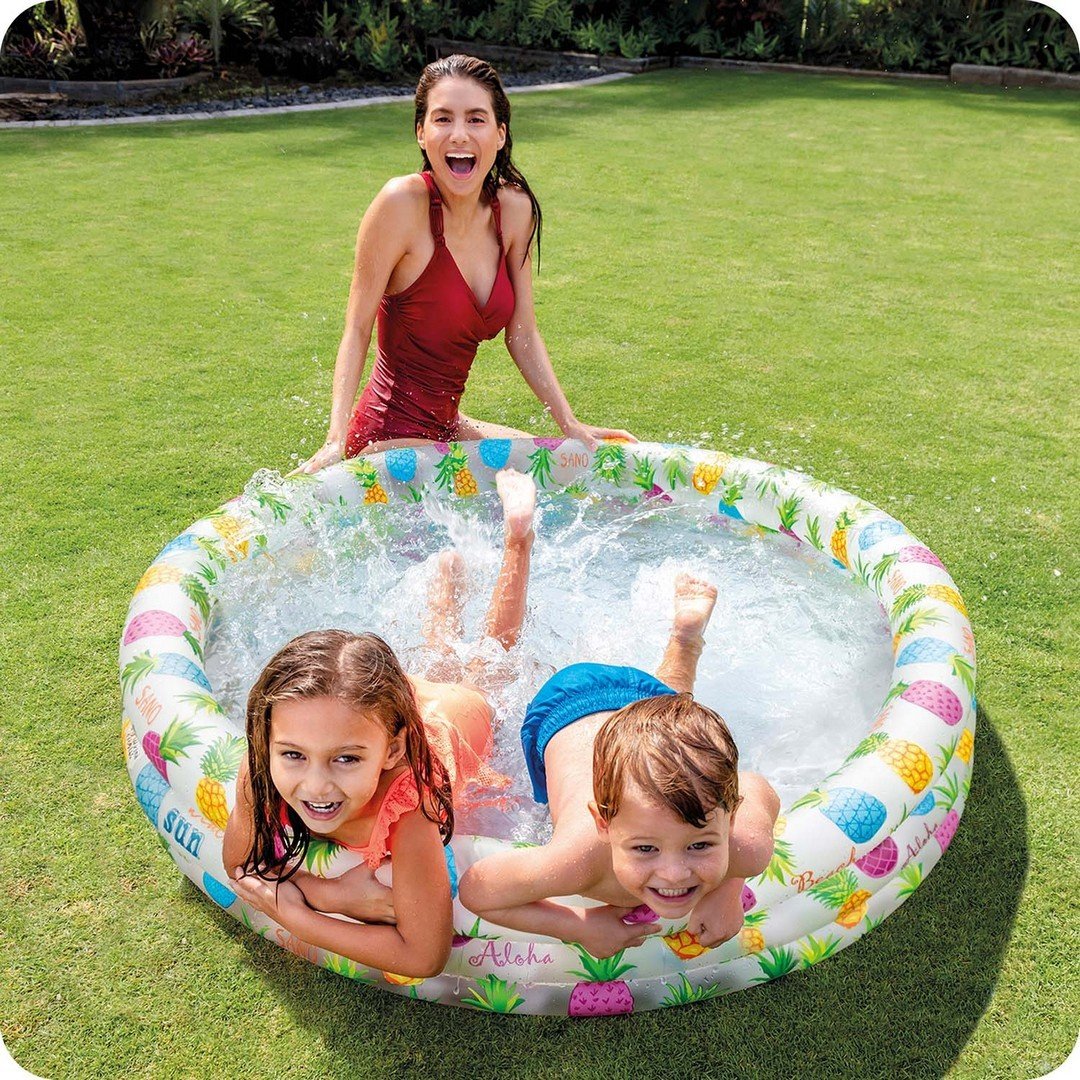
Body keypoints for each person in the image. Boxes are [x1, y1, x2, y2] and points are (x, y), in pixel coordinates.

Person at [223, 468, 537, 977]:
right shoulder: (269, 758)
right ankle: (447, 585)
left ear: (392, 750)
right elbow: (239, 866)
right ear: (269, 740)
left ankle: (517, 543)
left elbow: (424, 956)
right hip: (365, 713)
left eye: (346, 760)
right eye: (294, 755)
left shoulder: (408, 809)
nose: (316, 784)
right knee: (438, 659)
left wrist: (299, 915)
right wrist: (336, 896)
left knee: (488, 664)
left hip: (455, 717)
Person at [295, 54, 634, 474]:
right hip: (385, 440)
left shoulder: (514, 211)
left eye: (476, 119)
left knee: (560, 471)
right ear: (421, 133)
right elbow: (357, 326)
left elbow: (523, 332)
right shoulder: (401, 205)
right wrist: (335, 440)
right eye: (443, 119)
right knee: (512, 497)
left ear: (500, 133)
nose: (459, 134)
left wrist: (570, 423)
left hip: (447, 428)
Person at [457, 574, 781, 959]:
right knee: (491, 708)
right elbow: (478, 889)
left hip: (644, 699)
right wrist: (578, 926)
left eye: (700, 844)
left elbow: (757, 788)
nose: (674, 873)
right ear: (603, 823)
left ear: (731, 818)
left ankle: (685, 641)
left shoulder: (749, 849)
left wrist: (730, 886)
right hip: (566, 709)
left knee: (678, 739)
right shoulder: (576, 860)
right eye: (645, 848)